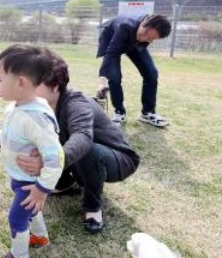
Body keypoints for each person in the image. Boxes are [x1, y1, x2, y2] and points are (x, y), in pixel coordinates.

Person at [17, 49, 140, 234]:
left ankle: (92, 207)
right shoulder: (40, 106)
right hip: (82, 157)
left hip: (118, 158)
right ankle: (66, 182)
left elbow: (82, 138)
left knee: (87, 150)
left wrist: (50, 162)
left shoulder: (76, 103)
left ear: (56, 85)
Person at [0, 44, 64, 258]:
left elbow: (55, 157)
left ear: (21, 83)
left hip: (32, 183)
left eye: (0, 79)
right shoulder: (20, 107)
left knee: (17, 216)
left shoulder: (35, 117)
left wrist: (42, 190)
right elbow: (15, 136)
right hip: (21, 178)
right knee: (30, 210)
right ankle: (39, 237)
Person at [96, 14, 172, 127]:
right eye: (145, 33)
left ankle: (148, 112)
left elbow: (143, 39)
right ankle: (119, 112)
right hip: (112, 40)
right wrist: (102, 83)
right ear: (145, 25)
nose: (146, 38)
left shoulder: (146, 36)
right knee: (114, 76)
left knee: (151, 73)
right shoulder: (125, 26)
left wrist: (144, 38)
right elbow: (111, 54)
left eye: (151, 39)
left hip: (132, 43)